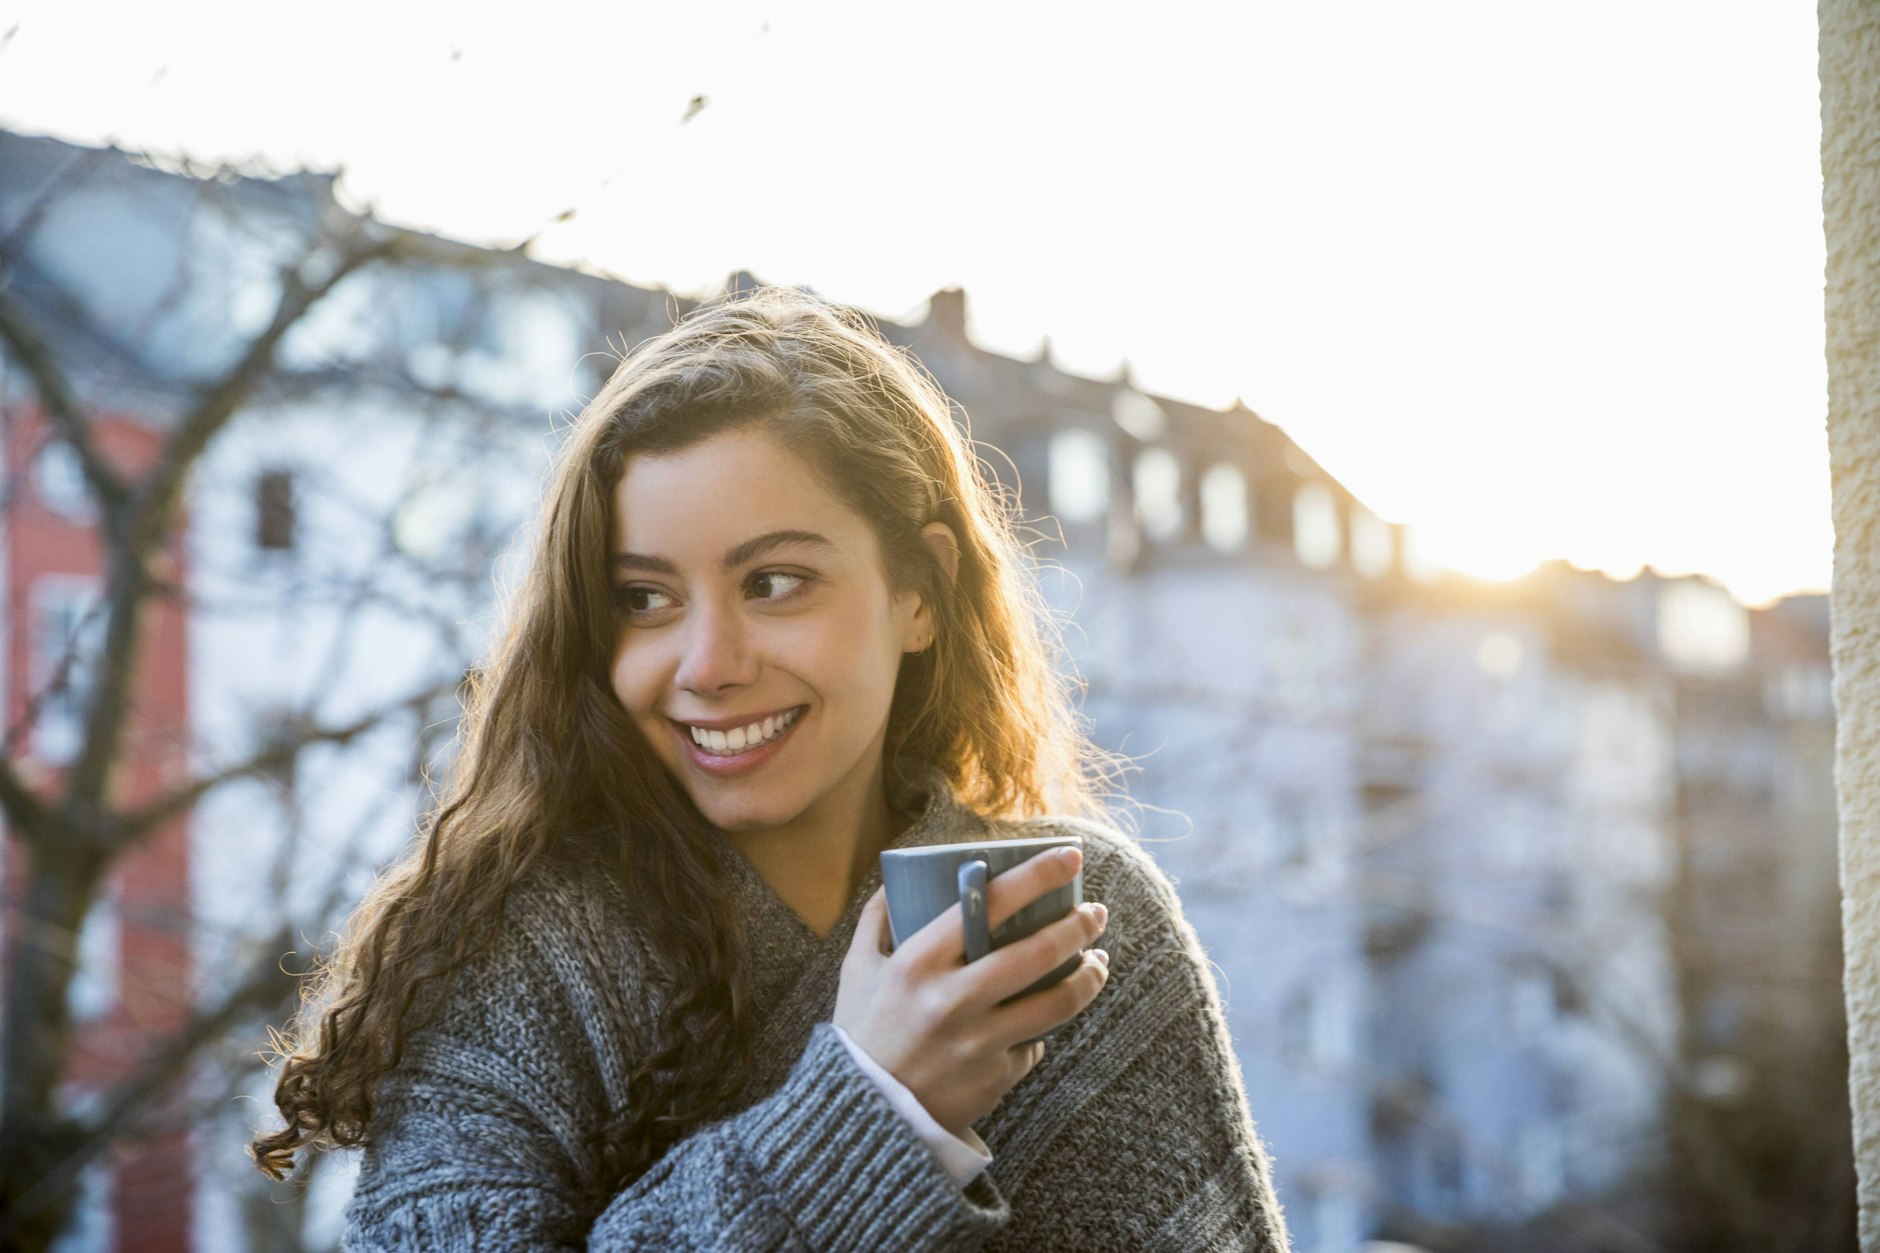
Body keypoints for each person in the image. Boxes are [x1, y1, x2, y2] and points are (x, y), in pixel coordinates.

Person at [249, 284, 1294, 1251]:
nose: (707, 664)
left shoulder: (1080, 928)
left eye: (776, 581)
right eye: (644, 598)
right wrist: (873, 1109)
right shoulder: (505, 961)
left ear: (920, 591)